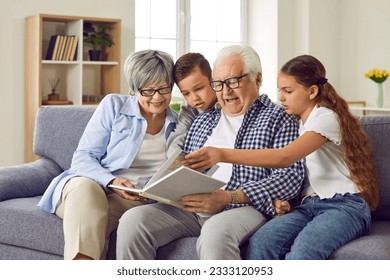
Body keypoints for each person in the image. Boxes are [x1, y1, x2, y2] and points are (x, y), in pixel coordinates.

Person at [116, 45, 305, 260]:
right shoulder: (203, 119)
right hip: (191, 206)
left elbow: (290, 177)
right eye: (219, 84)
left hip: (242, 207)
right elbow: (181, 165)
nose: (226, 92)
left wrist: (227, 197)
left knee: (215, 233)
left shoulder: (280, 118)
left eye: (233, 81)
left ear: (258, 79)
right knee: (133, 220)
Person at [183, 54, 380, 260]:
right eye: (279, 91)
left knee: (304, 251)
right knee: (263, 241)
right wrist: (283, 202)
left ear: (312, 91)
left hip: (345, 206)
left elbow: (284, 158)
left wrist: (222, 154)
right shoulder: (297, 122)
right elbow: (296, 176)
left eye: (288, 91)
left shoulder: (326, 118)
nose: (281, 97)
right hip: (308, 205)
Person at [37, 49, 178, 260]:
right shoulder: (114, 106)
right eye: (148, 90)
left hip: (136, 200)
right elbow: (83, 157)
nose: (157, 97)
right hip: (91, 186)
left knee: (95, 224)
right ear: (134, 89)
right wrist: (112, 181)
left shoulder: (177, 123)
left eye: (164, 89)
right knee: (87, 191)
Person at [167, 52, 217, 157]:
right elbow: (177, 139)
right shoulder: (189, 110)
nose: (194, 98)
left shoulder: (228, 101)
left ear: (212, 80)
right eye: (186, 93)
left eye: (199, 89)